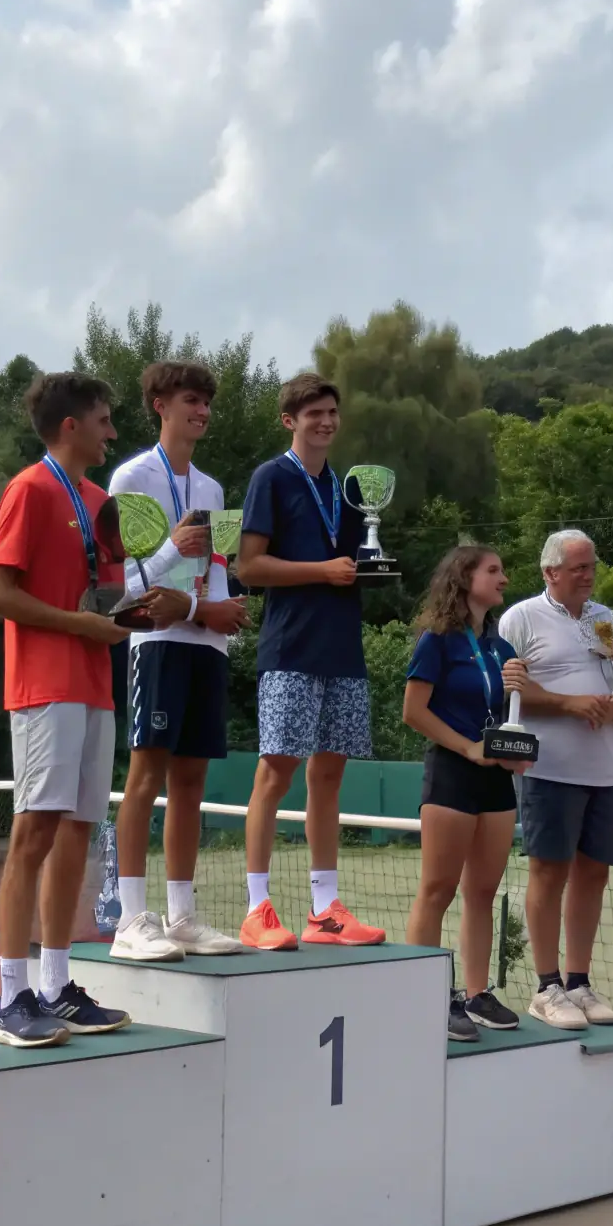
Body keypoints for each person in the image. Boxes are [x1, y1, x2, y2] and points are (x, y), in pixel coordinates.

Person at [0, 372, 133, 1048]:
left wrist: (141, 603)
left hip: (96, 686)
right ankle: (8, 997)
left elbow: (106, 596)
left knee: (78, 833)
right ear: (70, 426)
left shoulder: (101, 501)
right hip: (44, 686)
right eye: (103, 420)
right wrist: (79, 626)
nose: (112, 431)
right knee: (34, 831)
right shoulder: (30, 489)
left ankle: (55, 984)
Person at [234, 372, 385, 950]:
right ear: (289, 420)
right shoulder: (271, 478)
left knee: (329, 776)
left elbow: (353, 559)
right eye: (313, 413)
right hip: (290, 648)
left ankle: (324, 911)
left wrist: (367, 568)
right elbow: (249, 567)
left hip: (342, 648)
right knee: (277, 773)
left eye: (332, 413)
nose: (325, 422)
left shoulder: (348, 489)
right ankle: (257, 908)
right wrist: (321, 572)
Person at [106, 361, 250, 962]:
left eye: (209, 402)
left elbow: (219, 566)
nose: (204, 411)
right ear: (160, 404)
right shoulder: (131, 477)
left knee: (191, 780)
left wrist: (222, 612)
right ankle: (131, 919)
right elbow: (120, 583)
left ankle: (182, 915)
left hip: (204, 644)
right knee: (146, 776)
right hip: (157, 645)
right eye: (193, 399)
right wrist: (174, 548)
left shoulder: (213, 489)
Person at [498, 529, 613, 1031]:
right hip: (548, 770)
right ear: (549, 572)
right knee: (549, 874)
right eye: (578, 567)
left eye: (591, 565)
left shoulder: (604, 622)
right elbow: (503, 690)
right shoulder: (519, 617)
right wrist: (569, 703)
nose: (588, 574)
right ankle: (547, 987)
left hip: (608, 771)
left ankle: (579, 982)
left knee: (593, 875)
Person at [403, 546, 530, 1041]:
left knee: (483, 891)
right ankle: (426, 995)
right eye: (493, 570)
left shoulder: (501, 649)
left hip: (495, 780)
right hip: (452, 774)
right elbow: (414, 711)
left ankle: (477, 994)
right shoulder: (437, 639)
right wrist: (468, 748)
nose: (504, 578)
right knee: (438, 889)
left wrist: (518, 705)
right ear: (465, 577)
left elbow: (507, 719)